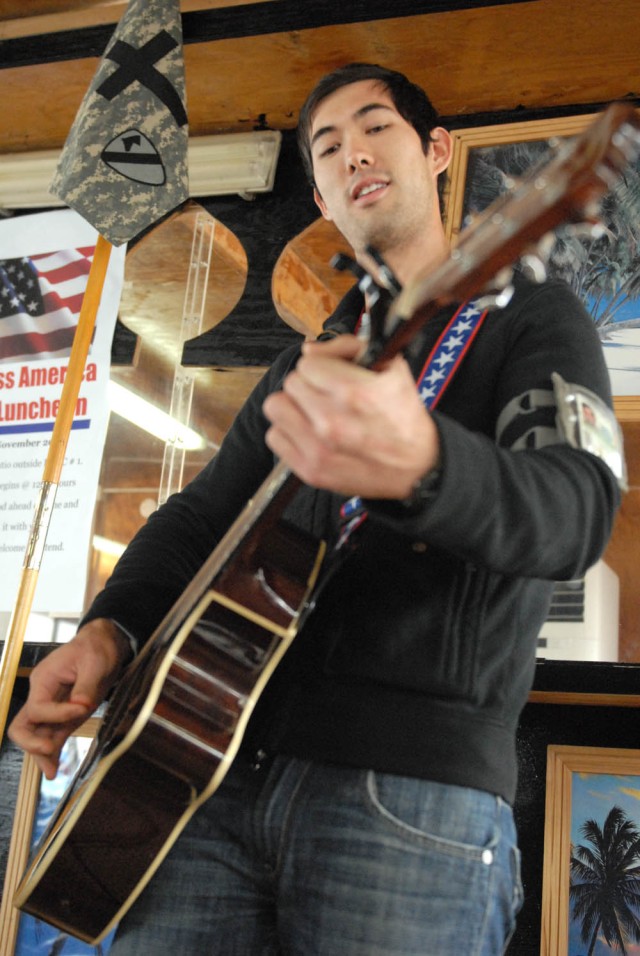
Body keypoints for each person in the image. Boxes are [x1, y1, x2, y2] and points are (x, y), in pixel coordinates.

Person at [9, 63, 623, 954]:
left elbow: (577, 513)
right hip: (198, 780)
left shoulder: (534, 317)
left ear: (437, 152)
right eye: (327, 149)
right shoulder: (306, 364)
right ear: (325, 203)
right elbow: (199, 518)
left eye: (375, 128)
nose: (352, 154)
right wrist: (111, 630)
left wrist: (425, 461)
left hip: (411, 795)